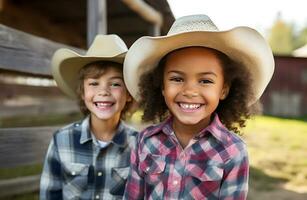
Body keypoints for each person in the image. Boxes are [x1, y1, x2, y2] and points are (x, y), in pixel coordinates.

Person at [123, 14, 274, 199]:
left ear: (223, 90)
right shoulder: (144, 142)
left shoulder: (233, 151)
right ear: (162, 86)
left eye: (205, 80)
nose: (190, 91)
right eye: (177, 79)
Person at [39, 34, 138, 200]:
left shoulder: (139, 145)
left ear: (129, 94)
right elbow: (50, 194)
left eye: (115, 84)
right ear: (83, 93)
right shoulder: (62, 140)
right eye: (93, 83)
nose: (103, 91)